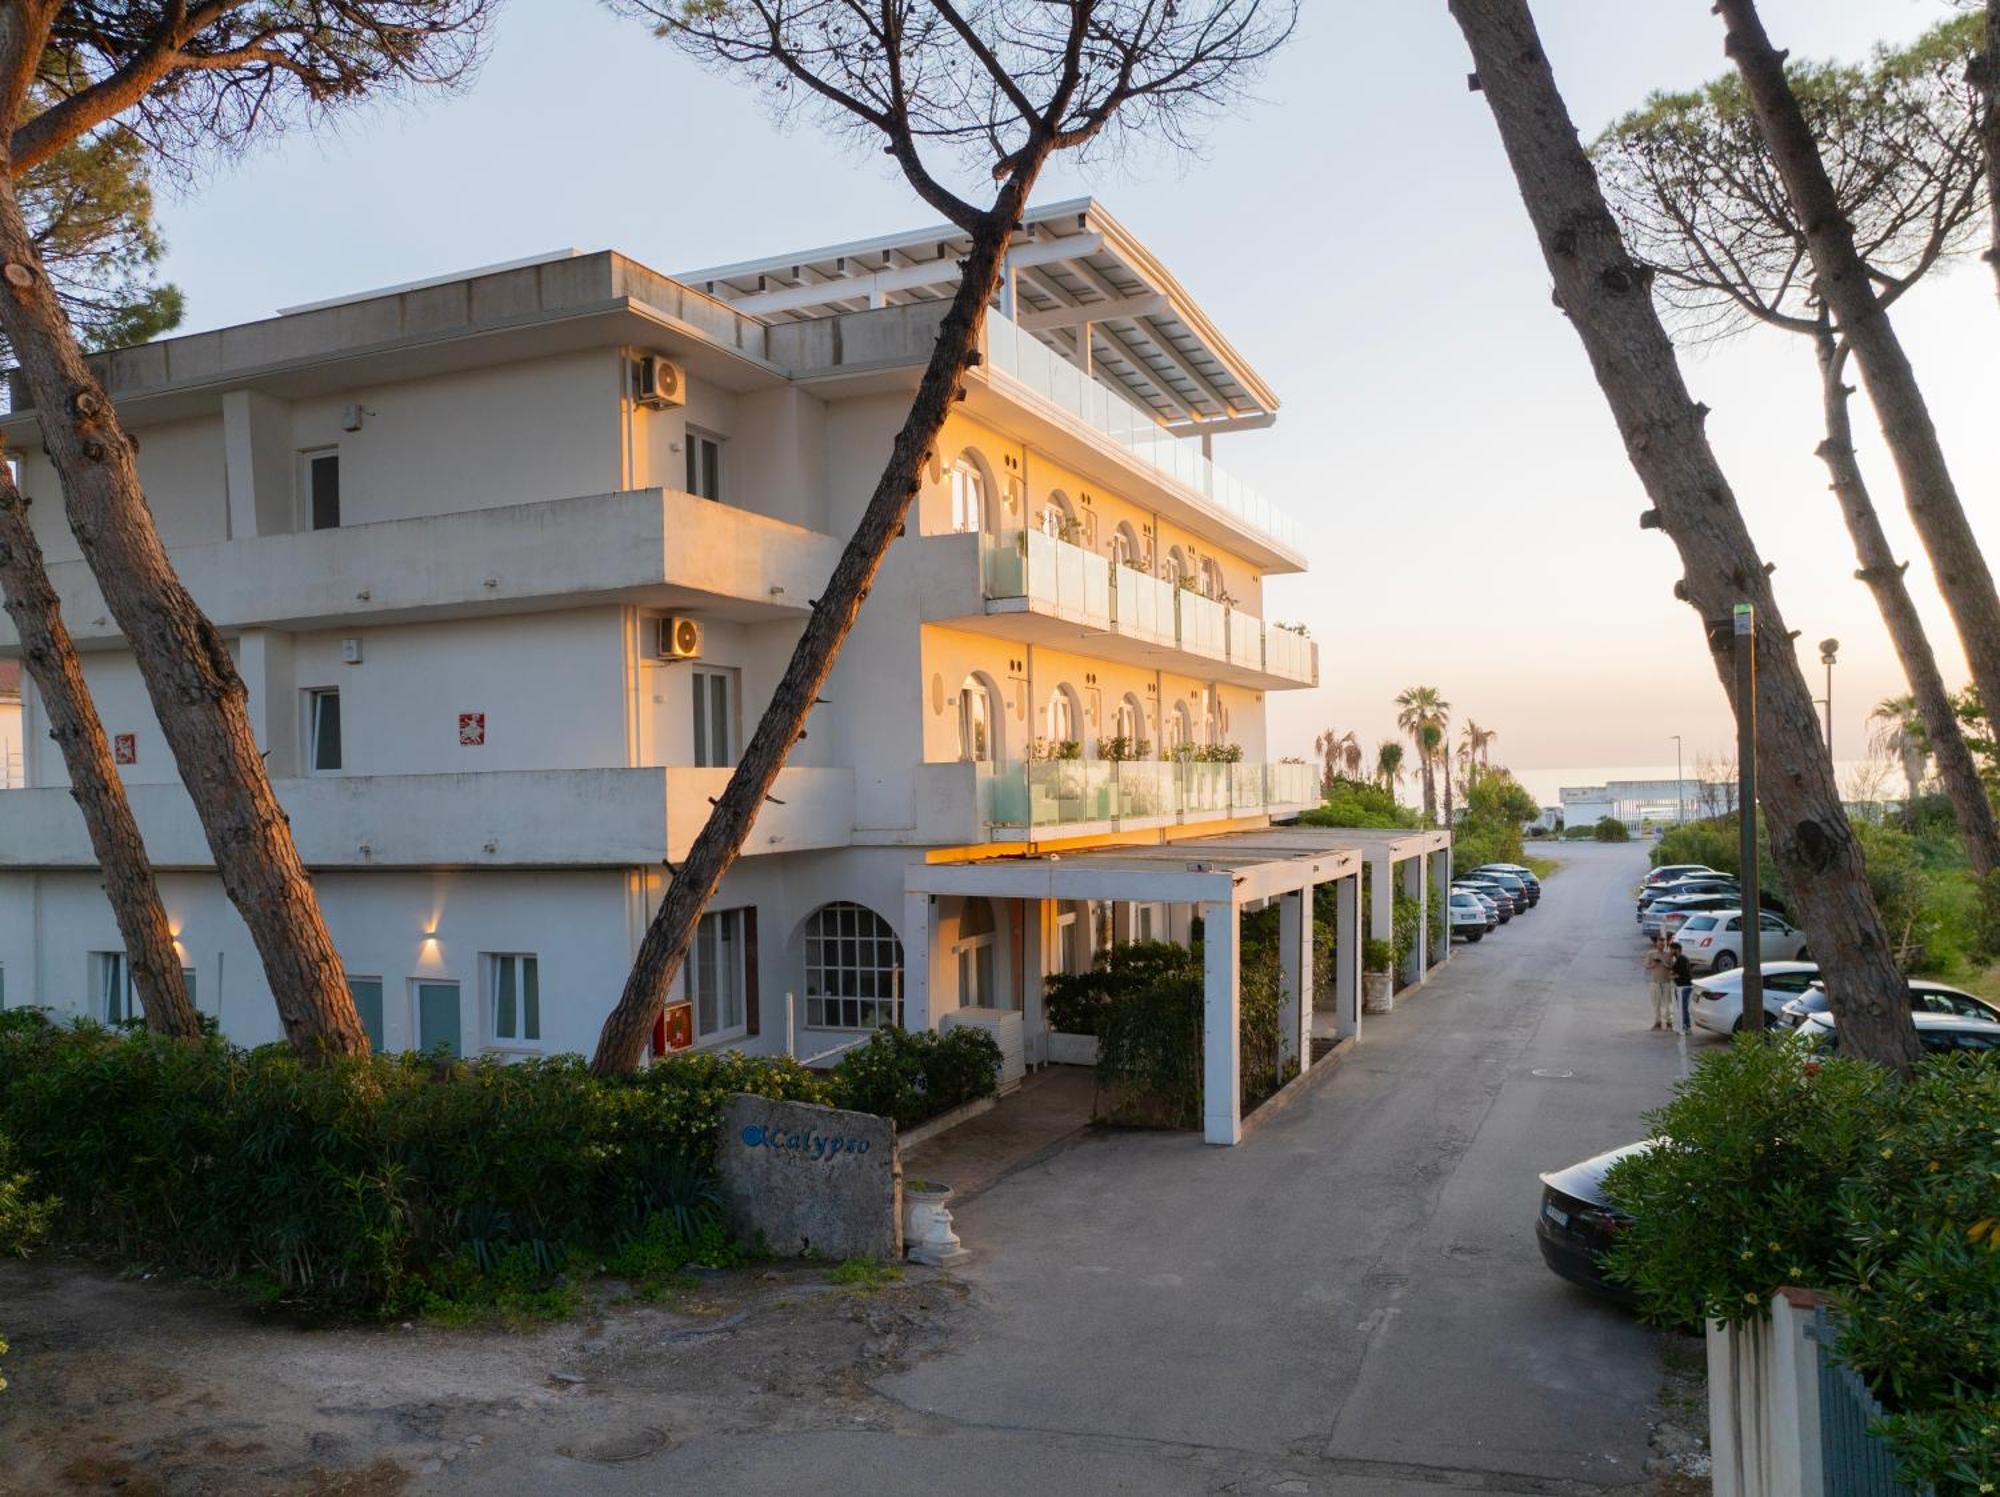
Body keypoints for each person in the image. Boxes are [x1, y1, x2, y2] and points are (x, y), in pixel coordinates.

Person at [1643, 936, 1674, 1031]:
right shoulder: (1651, 954)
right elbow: (1646, 965)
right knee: (1656, 1004)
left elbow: (1672, 967)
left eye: (1663, 944)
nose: (1661, 945)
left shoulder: (1668, 955)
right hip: (1655, 982)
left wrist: (1664, 964)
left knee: (1668, 1003)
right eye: (1660, 943)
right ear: (1656, 943)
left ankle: (1669, 1022)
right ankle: (1658, 1022)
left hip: (1666, 982)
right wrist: (1654, 964)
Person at [1670, 942, 1695, 1034]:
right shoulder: (1679, 959)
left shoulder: (1682, 959)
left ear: (1676, 949)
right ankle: (1683, 1026)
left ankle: (1686, 1027)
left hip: (1684, 987)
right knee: (1681, 1007)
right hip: (1681, 987)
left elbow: (1680, 974)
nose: (1670, 951)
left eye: (1671, 949)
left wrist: (1671, 977)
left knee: (1683, 1007)